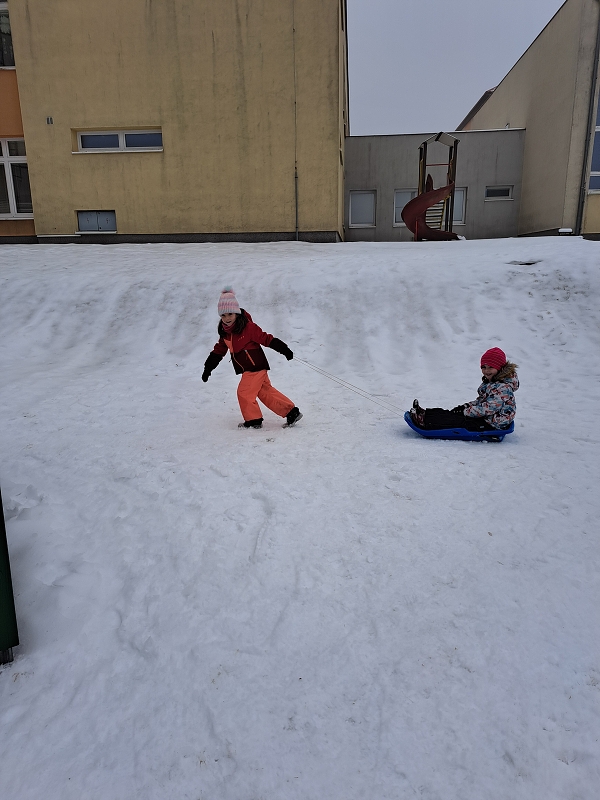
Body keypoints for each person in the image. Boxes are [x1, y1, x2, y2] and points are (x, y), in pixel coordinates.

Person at [202, 287, 302, 429]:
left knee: (244, 392)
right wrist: (208, 368)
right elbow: (219, 350)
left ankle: (253, 421)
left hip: (254, 367)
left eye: (230, 314)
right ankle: (291, 412)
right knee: (265, 392)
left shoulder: (248, 328)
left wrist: (283, 349)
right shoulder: (225, 332)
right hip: (249, 369)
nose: (227, 318)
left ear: (236, 313)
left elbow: (265, 338)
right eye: (223, 315)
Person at [410, 348, 518, 431]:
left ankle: (425, 422)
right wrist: (466, 406)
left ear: (499, 367)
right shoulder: (493, 382)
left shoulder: (503, 387)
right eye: (483, 367)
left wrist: (466, 412)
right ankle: (426, 414)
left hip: (493, 423)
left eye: (490, 367)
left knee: (457, 421)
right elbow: (482, 401)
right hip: (487, 417)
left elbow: (488, 408)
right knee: (452, 413)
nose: (486, 371)